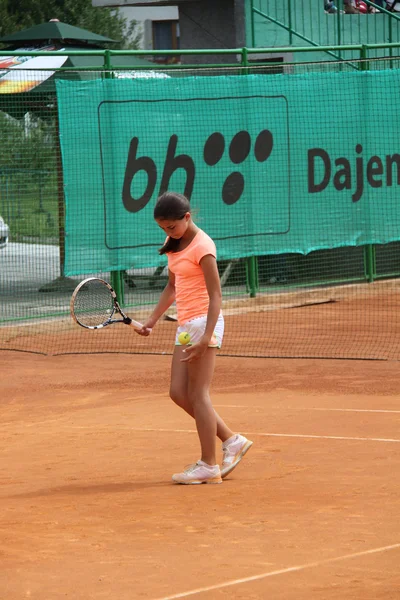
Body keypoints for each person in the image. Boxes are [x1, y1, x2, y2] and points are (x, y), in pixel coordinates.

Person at [137, 191, 253, 484]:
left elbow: (216, 295)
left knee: (199, 394)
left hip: (204, 323)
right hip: (186, 325)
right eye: (163, 228)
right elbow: (172, 287)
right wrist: (151, 321)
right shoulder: (173, 243)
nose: (168, 232)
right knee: (178, 392)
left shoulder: (204, 246)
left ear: (186, 218)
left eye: (172, 227)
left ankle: (209, 465)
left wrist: (208, 336)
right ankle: (231, 440)